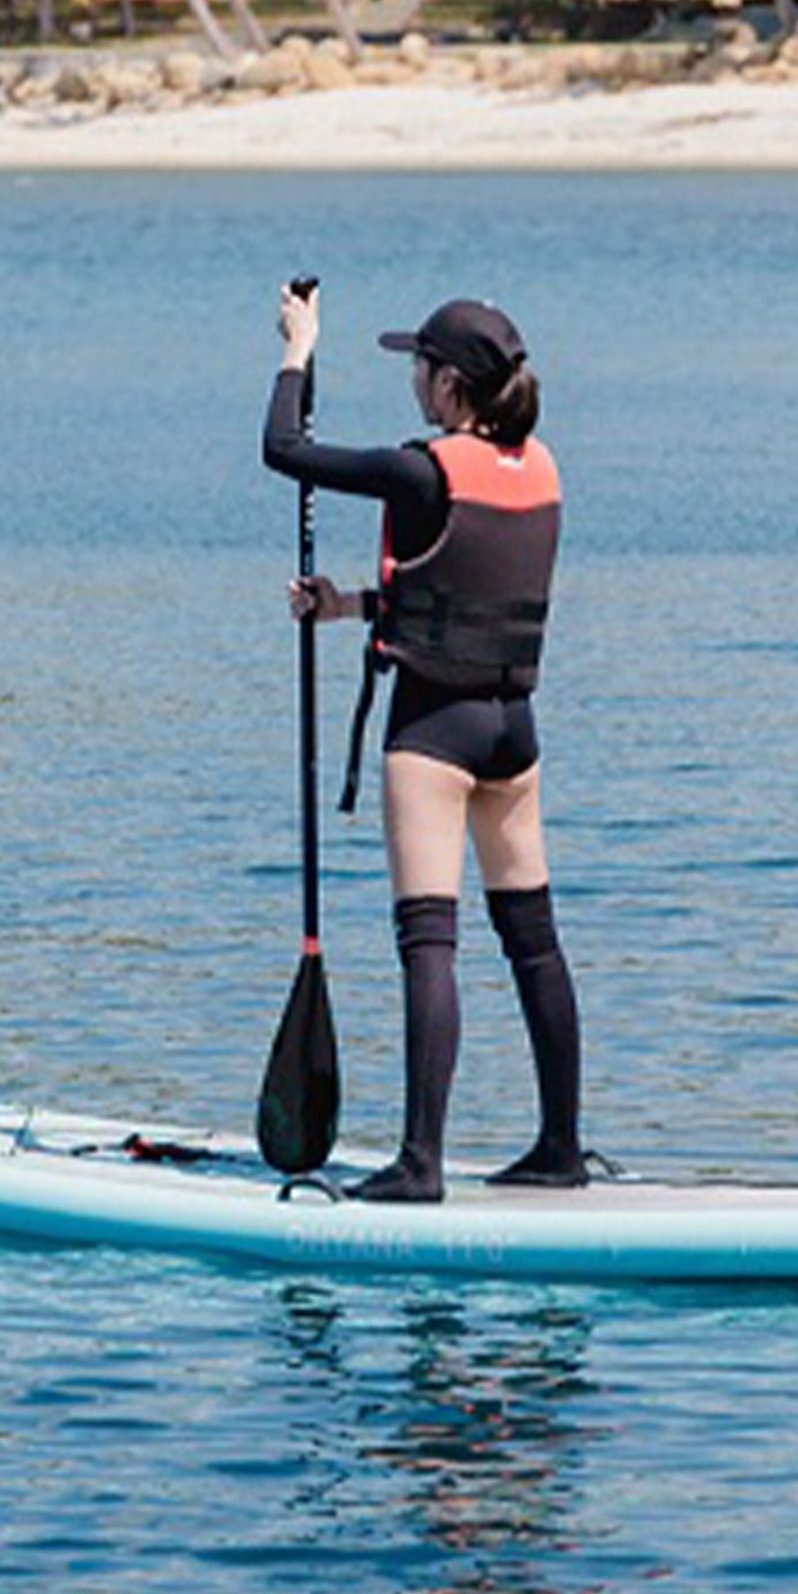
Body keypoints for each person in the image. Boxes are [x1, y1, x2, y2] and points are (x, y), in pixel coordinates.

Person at [263, 280, 597, 1204]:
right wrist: (350, 608)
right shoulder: (544, 469)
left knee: (429, 943)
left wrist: (299, 348)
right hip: (512, 735)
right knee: (532, 941)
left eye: (420, 365)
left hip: (435, 735)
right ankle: (561, 1148)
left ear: (450, 385)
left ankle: (421, 1163)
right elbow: (465, 590)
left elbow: (283, 450)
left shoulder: (424, 471)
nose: (412, 378)